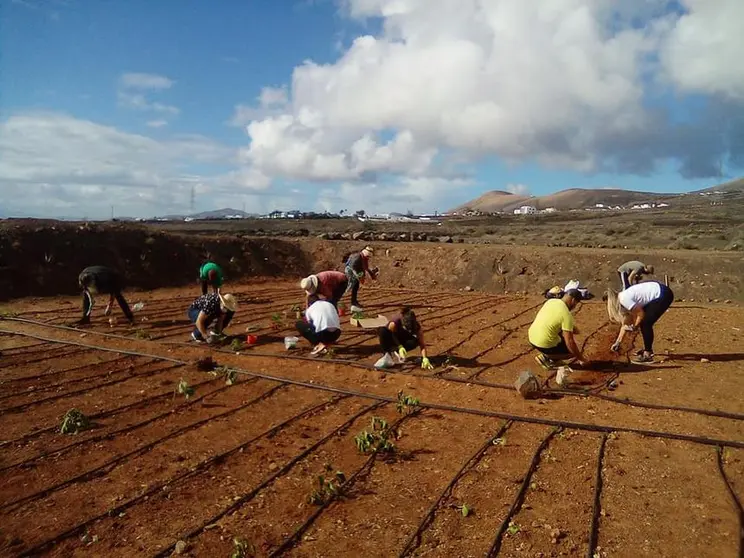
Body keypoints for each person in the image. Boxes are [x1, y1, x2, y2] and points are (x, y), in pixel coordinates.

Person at [607, 280, 673, 363]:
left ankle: (647, 354)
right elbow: (626, 324)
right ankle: (647, 349)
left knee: (646, 323)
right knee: (644, 322)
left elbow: (640, 313)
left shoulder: (624, 300)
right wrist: (618, 342)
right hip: (661, 291)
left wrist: (635, 326)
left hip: (663, 294)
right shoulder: (623, 298)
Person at [528, 289, 587, 369]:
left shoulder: (551, 301)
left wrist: (573, 328)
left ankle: (552, 356)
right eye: (575, 304)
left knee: (557, 333)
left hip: (532, 337)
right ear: (573, 301)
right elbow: (569, 342)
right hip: (543, 343)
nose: (574, 307)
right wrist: (581, 359)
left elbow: (554, 318)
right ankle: (546, 357)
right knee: (572, 352)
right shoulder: (566, 315)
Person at [344, 246, 378, 313]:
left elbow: (366, 267)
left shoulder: (364, 258)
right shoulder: (357, 257)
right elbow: (352, 267)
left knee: (355, 287)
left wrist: (372, 275)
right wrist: (358, 277)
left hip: (357, 272)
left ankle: (354, 301)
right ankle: (349, 302)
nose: (368, 258)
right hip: (350, 271)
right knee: (351, 286)